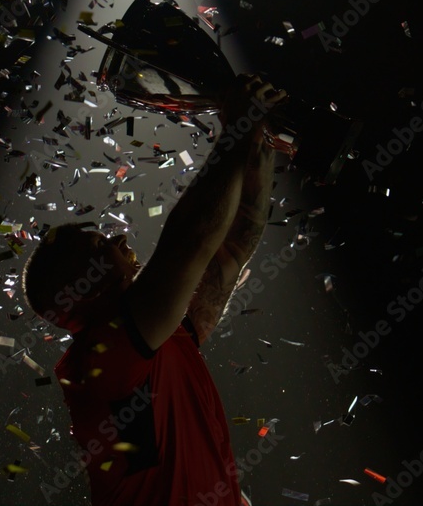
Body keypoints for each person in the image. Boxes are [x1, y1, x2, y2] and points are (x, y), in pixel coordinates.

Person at [22, 74, 286, 506]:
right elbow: (192, 242)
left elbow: (231, 249)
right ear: (82, 287)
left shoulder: (154, 341)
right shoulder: (103, 360)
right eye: (100, 245)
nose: (120, 241)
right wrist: (237, 128)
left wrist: (256, 139)